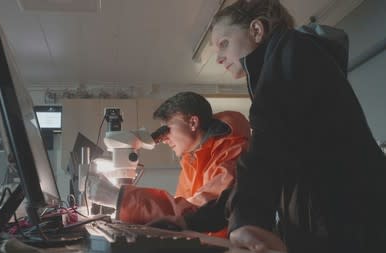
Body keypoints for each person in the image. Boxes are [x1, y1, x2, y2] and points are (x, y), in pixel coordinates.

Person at [179, 0, 386, 252]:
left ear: (256, 30)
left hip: (347, 229)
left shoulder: (291, 52)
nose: (219, 58)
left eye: (224, 43)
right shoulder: (285, 62)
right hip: (339, 224)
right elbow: (262, 165)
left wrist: (248, 218)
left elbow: (266, 147)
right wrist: (189, 221)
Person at [87, 91, 250, 237]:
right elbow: (181, 212)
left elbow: (200, 214)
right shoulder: (192, 159)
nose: (163, 138)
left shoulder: (232, 153)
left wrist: (120, 198)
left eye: (167, 128)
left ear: (193, 123)